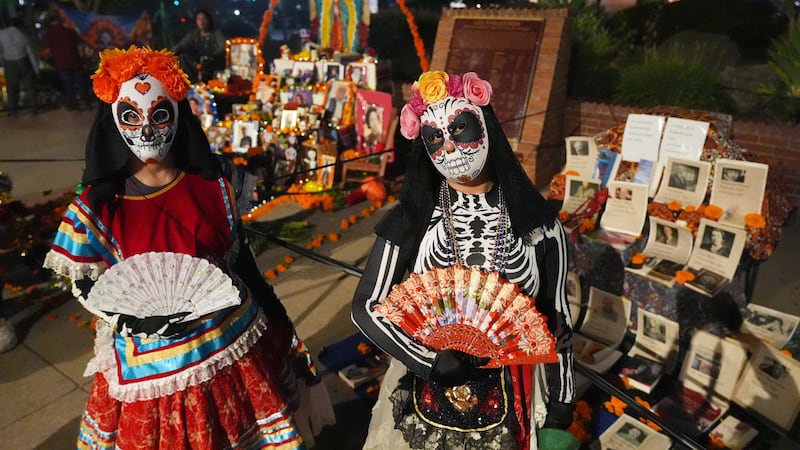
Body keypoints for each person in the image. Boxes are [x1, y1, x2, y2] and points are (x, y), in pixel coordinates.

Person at [42, 47, 333, 448]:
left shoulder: (214, 183)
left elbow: (239, 260)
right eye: (130, 116)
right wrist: (130, 320)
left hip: (231, 344)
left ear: (178, 115)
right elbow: (86, 282)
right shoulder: (97, 205)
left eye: (159, 114)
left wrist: (281, 323)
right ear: (112, 120)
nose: (146, 130)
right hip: (153, 367)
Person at [352, 71, 574, 449]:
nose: (450, 149)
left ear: (486, 128)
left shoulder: (540, 225)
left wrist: (561, 411)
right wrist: (428, 361)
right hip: (426, 394)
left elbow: (558, 322)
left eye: (460, 129)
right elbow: (365, 308)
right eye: (435, 138)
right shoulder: (412, 219)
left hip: (517, 397)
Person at [42, 14, 88, 111]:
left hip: (61, 64)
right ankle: (86, 102)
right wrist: (84, 59)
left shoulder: (49, 33)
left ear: (50, 23)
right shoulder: (70, 31)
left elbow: (47, 51)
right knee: (81, 83)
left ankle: (74, 104)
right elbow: (80, 46)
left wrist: (49, 60)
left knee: (68, 85)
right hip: (75, 61)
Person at [172, 10, 226, 83]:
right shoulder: (194, 35)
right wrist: (168, 54)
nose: (201, 21)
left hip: (212, 63)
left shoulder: (216, 34)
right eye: (199, 19)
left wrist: (211, 56)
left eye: (204, 19)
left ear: (209, 20)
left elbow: (223, 48)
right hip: (197, 64)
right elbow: (181, 46)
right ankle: (192, 82)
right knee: (183, 56)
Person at [0, 18, 39, 115]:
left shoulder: (1, 34)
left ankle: (12, 108)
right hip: (23, 60)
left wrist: (2, 63)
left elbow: (0, 51)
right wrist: (36, 69)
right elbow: (30, 53)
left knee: (12, 87)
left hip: (9, 62)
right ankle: (33, 107)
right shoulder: (23, 35)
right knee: (29, 85)